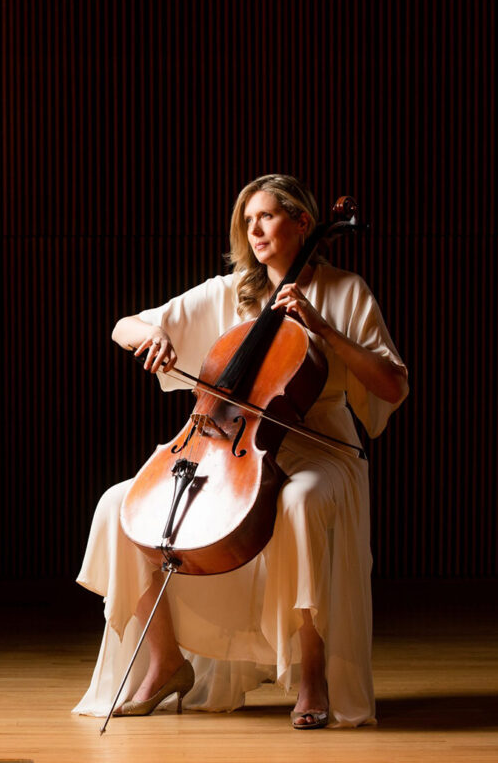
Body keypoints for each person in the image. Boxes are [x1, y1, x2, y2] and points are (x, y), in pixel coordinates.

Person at [73, 174, 408, 729]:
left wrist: (322, 328)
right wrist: (149, 338)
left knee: (299, 503)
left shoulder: (346, 291)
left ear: (304, 222)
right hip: (227, 446)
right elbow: (122, 326)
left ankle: (312, 676)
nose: (254, 229)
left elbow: (391, 386)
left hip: (318, 449)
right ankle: (165, 663)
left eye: (267, 216)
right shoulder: (229, 293)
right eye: (247, 220)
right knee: (118, 505)